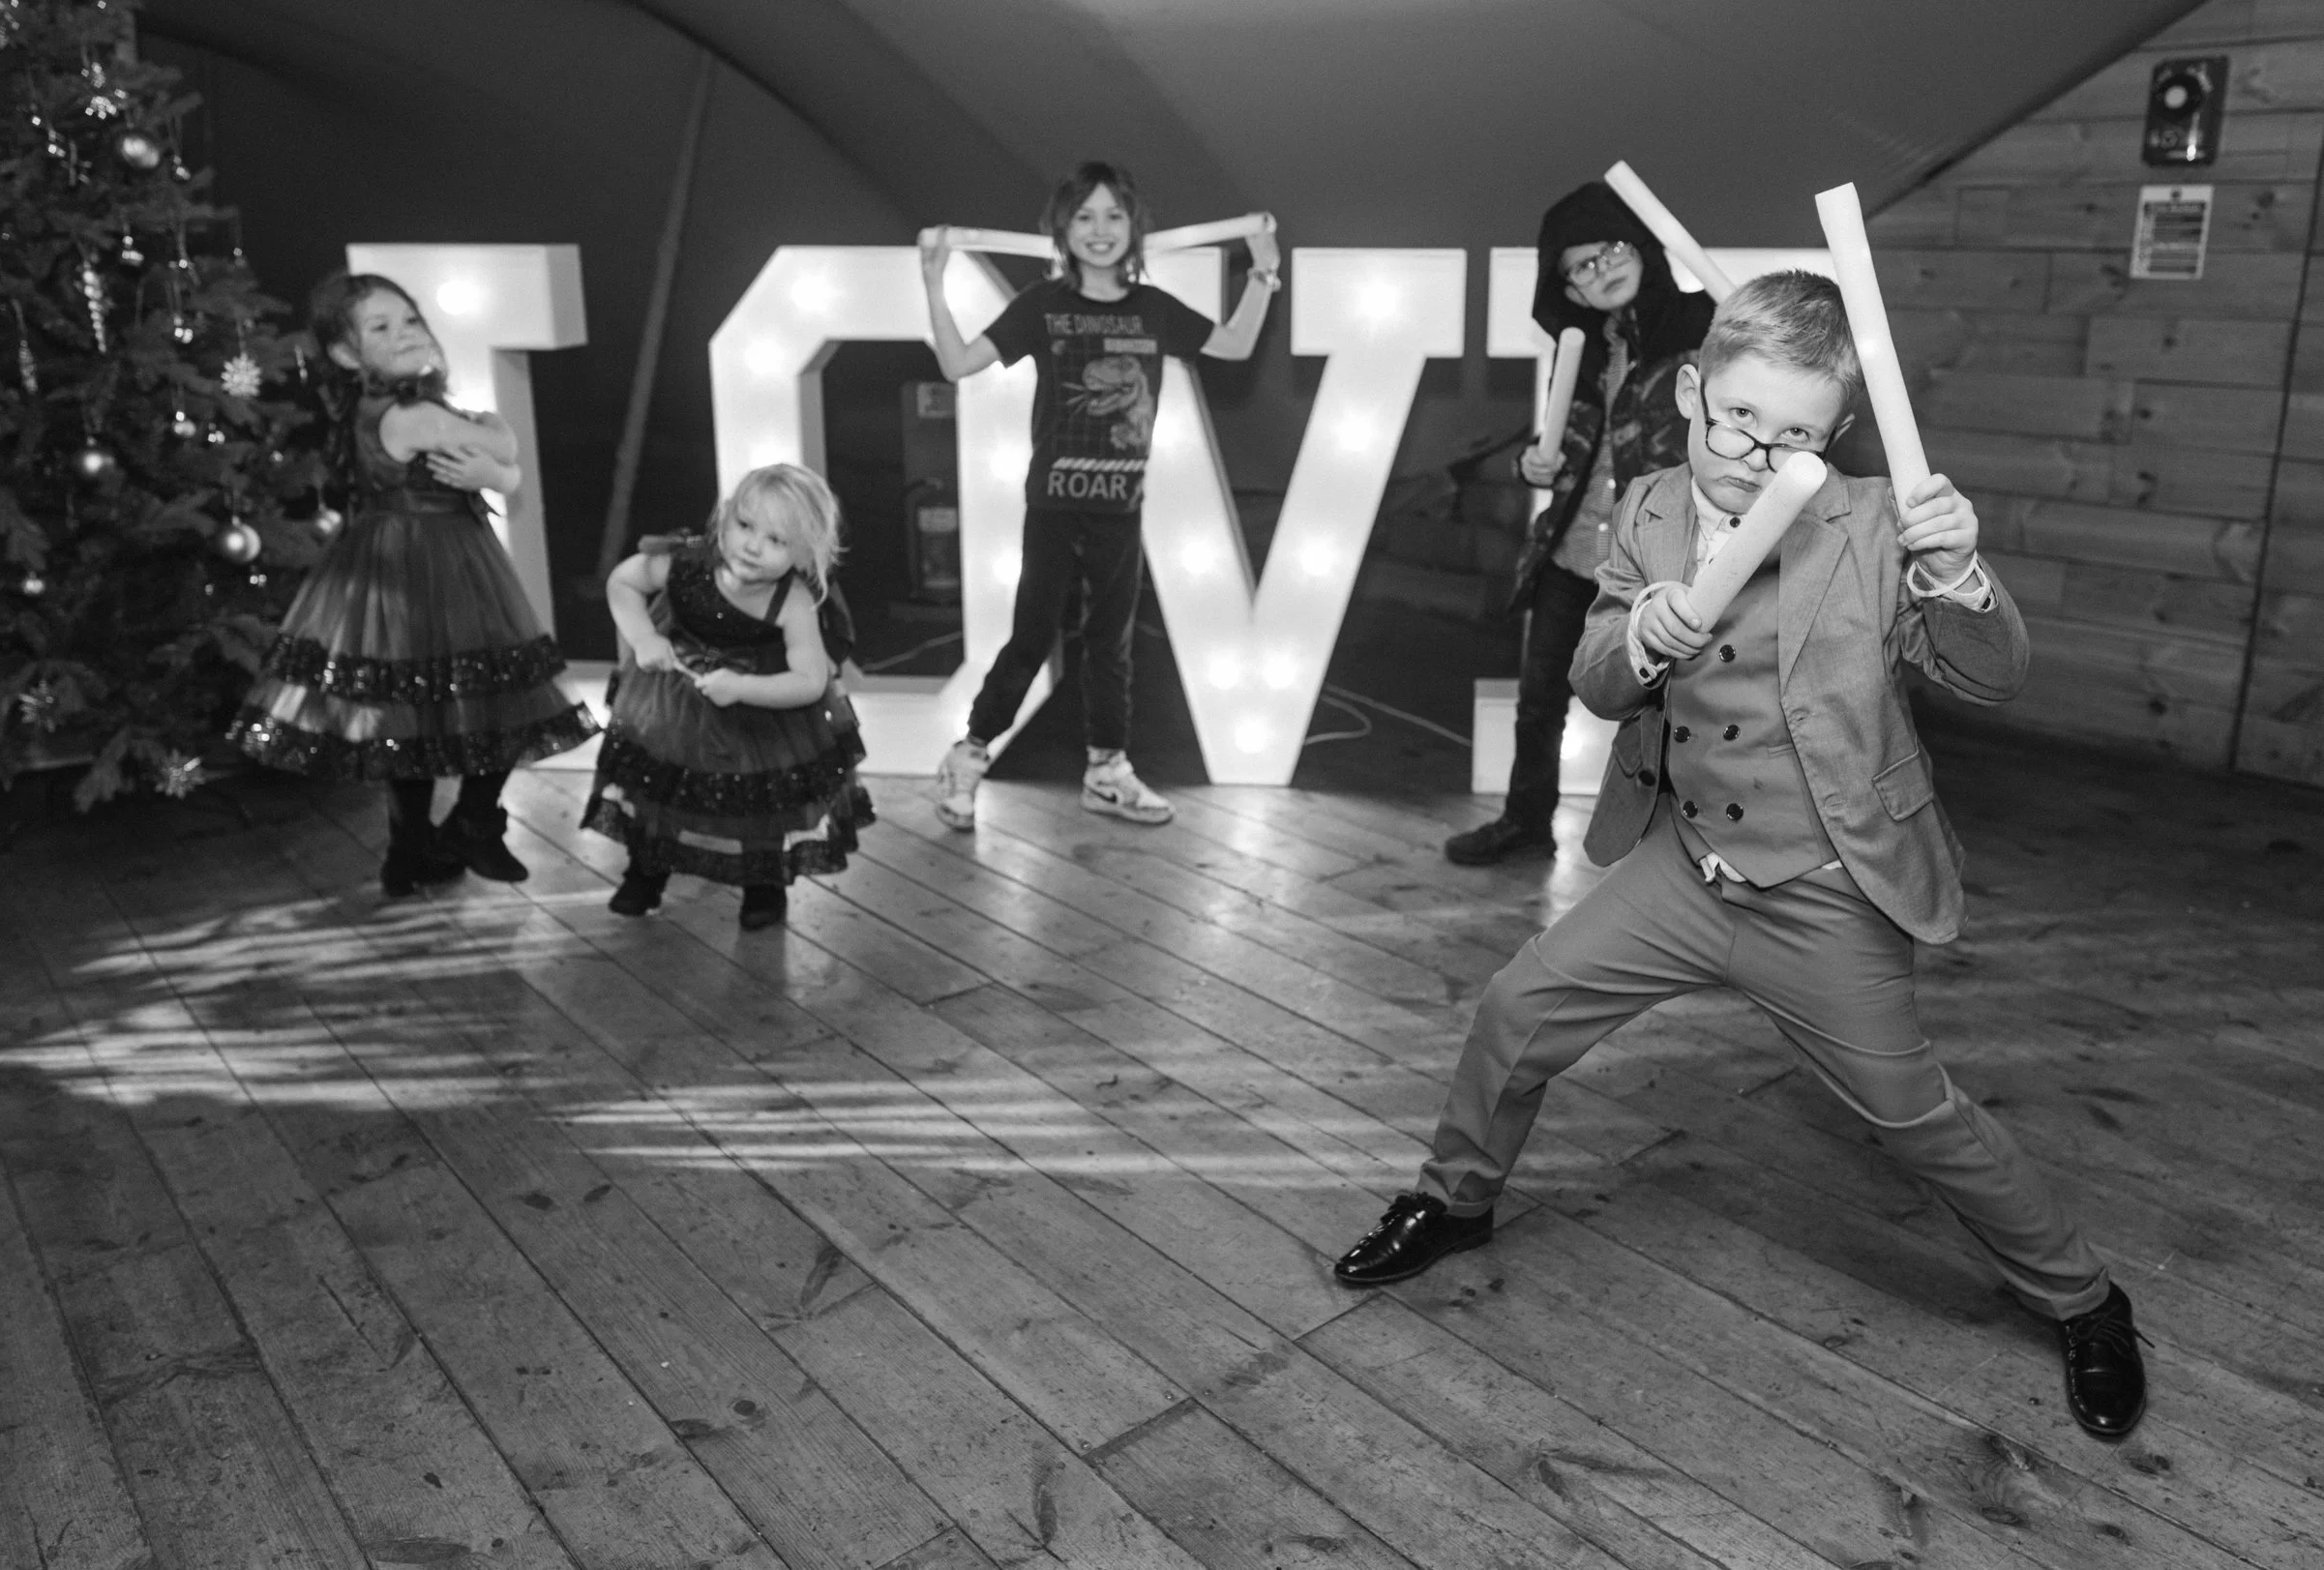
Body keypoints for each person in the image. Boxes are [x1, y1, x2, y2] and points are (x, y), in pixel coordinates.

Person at [1334, 272, 2148, 1441]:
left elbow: (1991, 672)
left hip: (1824, 889)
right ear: (1691, 389)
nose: (1756, 454)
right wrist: (1638, 638)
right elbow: (1596, 675)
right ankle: (1454, 1202)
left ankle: (2085, 1298)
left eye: (1796, 435)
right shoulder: (1649, 502)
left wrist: (1958, 571)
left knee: (1915, 1117)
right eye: (1737, 419)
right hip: (1681, 863)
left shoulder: (1875, 523)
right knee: (1515, 1009)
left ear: (1835, 437)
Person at [919, 161, 1280, 831]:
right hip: (1053, 507)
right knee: (1032, 638)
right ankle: (967, 758)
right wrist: (934, 283)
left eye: (1114, 215)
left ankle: (1106, 770)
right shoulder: (1042, 305)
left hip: (1121, 506)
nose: (1100, 228)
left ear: (1135, 227)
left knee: (1111, 645)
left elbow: (1232, 344)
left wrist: (1263, 273)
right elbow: (957, 364)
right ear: (1062, 228)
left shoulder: (1151, 307)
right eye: (1084, 215)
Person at [230, 273, 597, 896]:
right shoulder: (409, 414)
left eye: (410, 319)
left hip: (400, 557)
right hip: (431, 563)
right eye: (381, 328)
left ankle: (413, 850)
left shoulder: (395, 405)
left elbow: (490, 457)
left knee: (414, 712)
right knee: (495, 687)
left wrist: (492, 463)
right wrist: (497, 463)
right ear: (347, 355)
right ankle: (472, 823)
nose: (405, 333)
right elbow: (500, 444)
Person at [1449, 182, 1716, 866]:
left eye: (1612, 248)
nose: (1603, 268)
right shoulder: (1582, 350)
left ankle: (1676, 850)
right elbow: (1568, 449)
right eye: (1581, 265)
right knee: (1539, 702)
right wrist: (1529, 468)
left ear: (1641, 247)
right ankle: (1526, 819)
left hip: (1657, 564)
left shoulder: (1706, 330)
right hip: (1571, 556)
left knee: (1671, 713)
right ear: (1565, 287)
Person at [585, 463, 869, 930]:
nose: (753, 546)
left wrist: (741, 688)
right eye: (745, 526)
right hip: (674, 699)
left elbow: (810, 680)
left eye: (777, 541)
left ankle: (764, 887)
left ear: (803, 554)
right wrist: (643, 638)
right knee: (661, 785)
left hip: (760, 709)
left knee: (760, 799)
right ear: (725, 517)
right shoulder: (686, 562)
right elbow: (623, 581)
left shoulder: (792, 600)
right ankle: (646, 873)